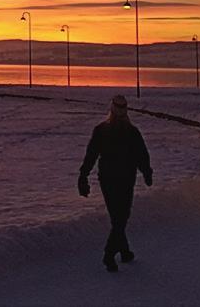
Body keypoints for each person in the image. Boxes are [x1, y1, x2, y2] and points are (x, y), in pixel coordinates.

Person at [78, 95, 153, 272]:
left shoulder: (103, 130)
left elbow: (92, 155)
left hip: (110, 178)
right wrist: (147, 172)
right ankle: (109, 254)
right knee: (121, 216)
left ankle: (124, 251)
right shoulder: (130, 132)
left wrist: (83, 175)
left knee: (118, 217)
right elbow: (142, 155)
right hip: (123, 179)